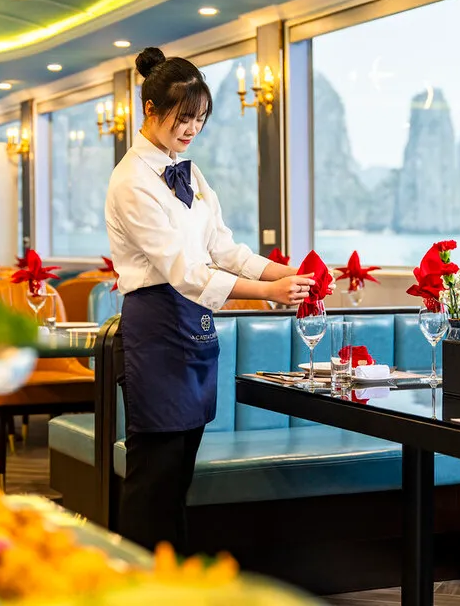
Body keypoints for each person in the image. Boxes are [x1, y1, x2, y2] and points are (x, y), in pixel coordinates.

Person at [104, 46, 315, 553]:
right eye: (183, 117)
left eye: (200, 118)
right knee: (153, 476)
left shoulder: (190, 174)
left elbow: (224, 249)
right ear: (150, 109)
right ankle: (136, 580)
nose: (192, 128)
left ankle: (174, 578)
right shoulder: (131, 181)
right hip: (155, 329)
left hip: (193, 329)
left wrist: (287, 273)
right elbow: (187, 271)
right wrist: (268, 293)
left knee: (180, 475)